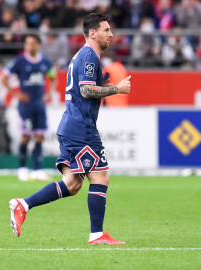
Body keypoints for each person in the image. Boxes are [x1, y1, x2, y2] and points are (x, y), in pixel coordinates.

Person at [8, 13, 131, 245]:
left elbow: (84, 89)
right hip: (81, 128)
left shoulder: (83, 55)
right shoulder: (89, 55)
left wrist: (100, 87)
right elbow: (85, 91)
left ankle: (23, 204)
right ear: (92, 33)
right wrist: (116, 89)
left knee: (73, 184)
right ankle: (96, 235)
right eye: (106, 30)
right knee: (101, 178)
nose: (111, 34)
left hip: (72, 126)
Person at [0, 34, 58, 182]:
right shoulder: (20, 61)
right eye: (27, 44)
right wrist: (15, 93)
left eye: (32, 44)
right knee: (26, 136)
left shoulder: (45, 62)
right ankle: (22, 168)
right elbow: (3, 77)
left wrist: (49, 93)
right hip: (26, 105)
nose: (29, 47)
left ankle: (37, 169)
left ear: (38, 45)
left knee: (39, 136)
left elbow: (53, 76)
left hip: (39, 104)